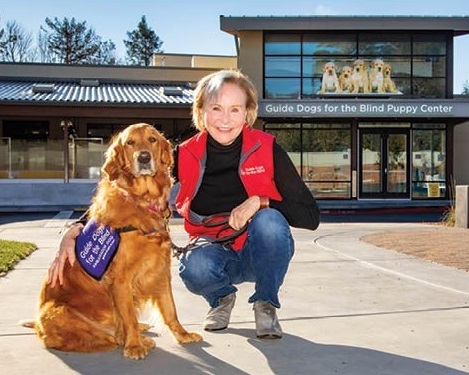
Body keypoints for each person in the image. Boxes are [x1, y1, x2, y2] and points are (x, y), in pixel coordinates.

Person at [48, 69, 320, 339]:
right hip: (211, 255)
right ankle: (221, 298)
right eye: (216, 108)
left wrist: (259, 202)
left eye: (235, 109)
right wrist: (77, 228)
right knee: (193, 267)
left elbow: (310, 215)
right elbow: (123, 188)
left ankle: (266, 304)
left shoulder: (267, 148)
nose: (225, 119)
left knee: (270, 221)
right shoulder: (184, 154)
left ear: (248, 113)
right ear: (201, 112)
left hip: (258, 254)